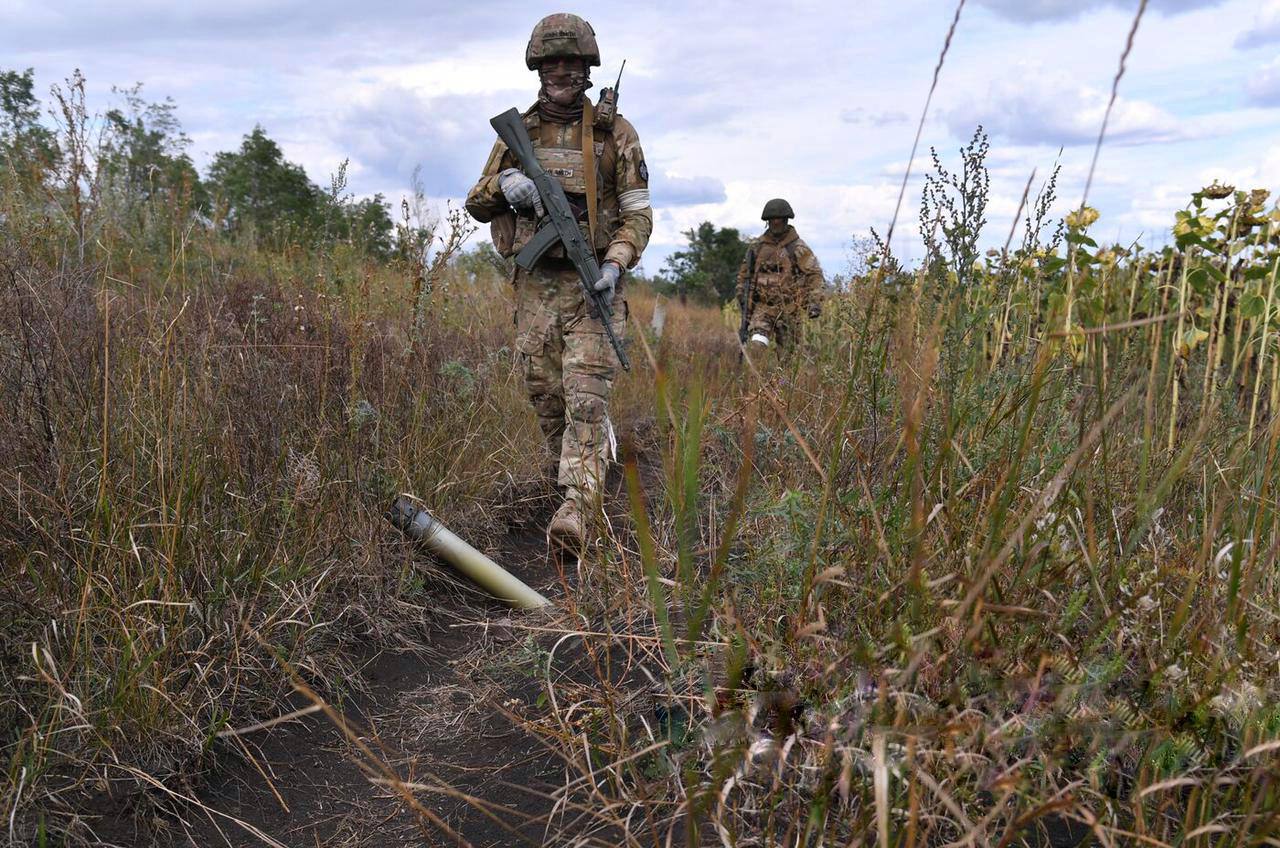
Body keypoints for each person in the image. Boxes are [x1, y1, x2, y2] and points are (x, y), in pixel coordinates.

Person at [464, 13, 652, 550]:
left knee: (586, 398)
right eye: (552, 62)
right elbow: (476, 200)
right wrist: (508, 183)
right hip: (535, 291)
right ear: (537, 67)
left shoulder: (616, 133)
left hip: (595, 287)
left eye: (571, 62)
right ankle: (574, 471)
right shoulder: (518, 132)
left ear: (588, 68)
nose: (562, 71)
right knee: (546, 396)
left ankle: (577, 508)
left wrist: (615, 264)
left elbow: (638, 214)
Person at [736, 199, 824, 350]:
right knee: (757, 347)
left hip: (789, 310)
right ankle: (756, 373)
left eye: (779, 219)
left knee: (788, 357)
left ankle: (780, 374)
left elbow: (814, 276)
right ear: (767, 222)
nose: (775, 223)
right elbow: (744, 276)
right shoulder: (757, 247)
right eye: (772, 220)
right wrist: (743, 299)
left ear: (785, 220)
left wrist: (813, 303)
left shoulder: (797, 247)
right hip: (762, 309)